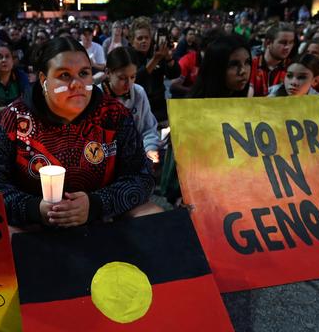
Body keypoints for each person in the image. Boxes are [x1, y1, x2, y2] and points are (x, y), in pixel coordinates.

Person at [0, 36, 159, 228]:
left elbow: (141, 175)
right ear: (43, 80)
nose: (77, 84)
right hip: (33, 227)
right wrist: (33, 208)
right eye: (64, 75)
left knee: (154, 216)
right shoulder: (15, 118)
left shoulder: (114, 116)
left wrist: (96, 204)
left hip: (102, 222)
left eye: (84, 73)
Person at [161, 34, 253, 206]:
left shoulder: (248, 107)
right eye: (234, 64)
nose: (243, 71)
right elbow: (174, 183)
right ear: (216, 68)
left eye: (247, 63)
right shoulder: (191, 113)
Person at [100, 47, 160, 163]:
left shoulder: (138, 93)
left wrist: (150, 148)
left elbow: (148, 129)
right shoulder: (97, 96)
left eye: (133, 77)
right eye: (122, 78)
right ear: (108, 73)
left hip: (135, 155)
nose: (128, 84)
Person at [128, 16, 180, 124]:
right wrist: (155, 59)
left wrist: (169, 58)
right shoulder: (127, 54)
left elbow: (174, 74)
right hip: (136, 108)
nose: (144, 41)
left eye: (147, 38)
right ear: (132, 40)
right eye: (140, 38)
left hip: (159, 107)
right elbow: (136, 79)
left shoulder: (156, 52)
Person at [250, 24, 295, 97]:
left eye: (291, 42)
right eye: (283, 42)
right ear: (268, 43)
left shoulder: (293, 68)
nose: (287, 47)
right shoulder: (252, 64)